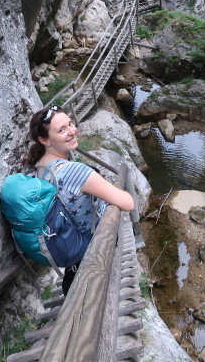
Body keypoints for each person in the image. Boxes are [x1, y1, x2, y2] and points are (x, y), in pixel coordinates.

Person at [23, 105, 134, 295]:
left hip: (70, 255)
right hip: (92, 254)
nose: (72, 131)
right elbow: (128, 202)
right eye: (62, 130)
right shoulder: (74, 171)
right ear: (44, 140)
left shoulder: (35, 169)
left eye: (70, 124)